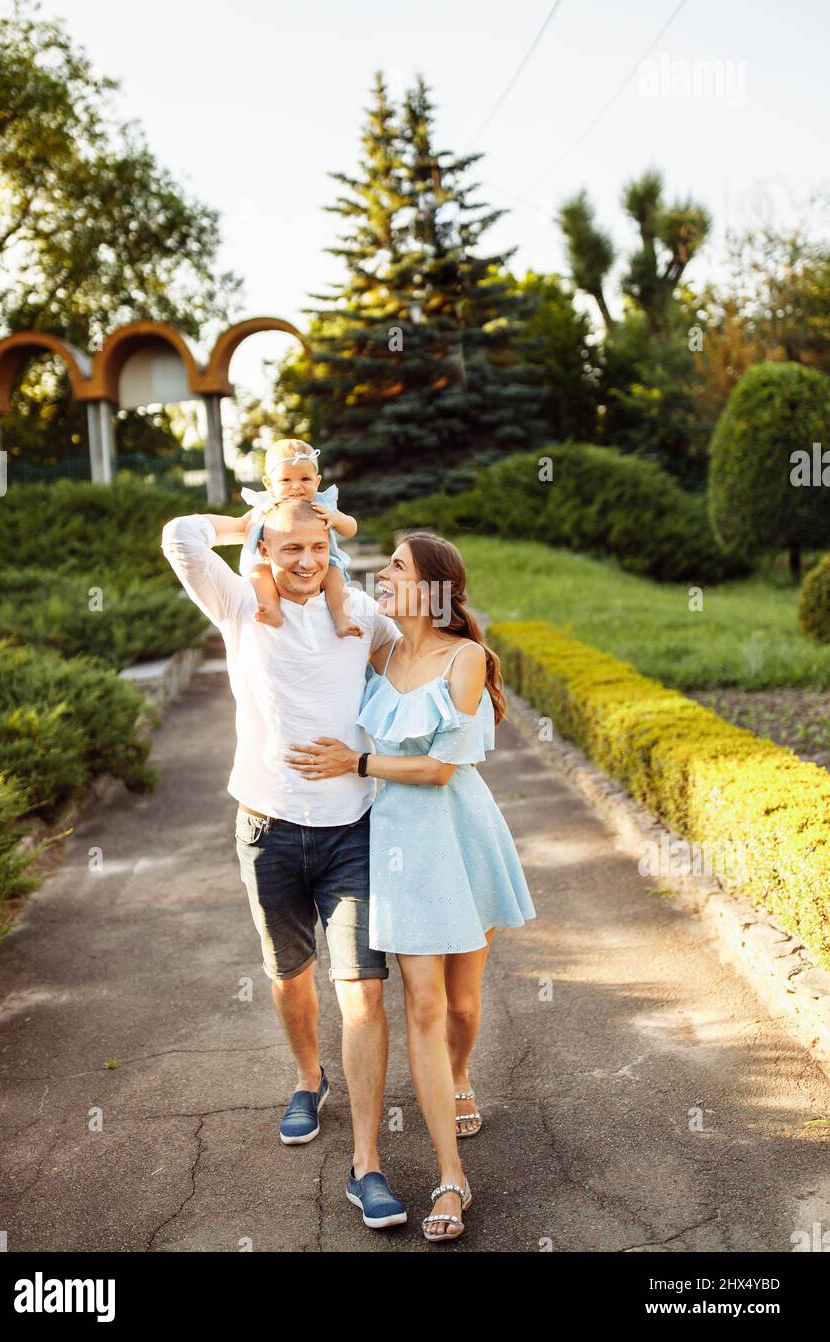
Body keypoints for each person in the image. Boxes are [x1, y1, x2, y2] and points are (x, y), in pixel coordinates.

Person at [160, 495, 409, 1230]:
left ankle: (367, 1165)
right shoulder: (240, 606)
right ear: (268, 552)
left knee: (362, 993)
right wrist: (248, 524)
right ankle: (309, 1079)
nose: (305, 562)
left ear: (331, 546)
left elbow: (421, 655)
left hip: (351, 831)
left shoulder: (360, 612)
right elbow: (179, 537)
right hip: (267, 829)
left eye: (316, 548)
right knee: (288, 975)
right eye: (288, 549)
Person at [286, 531, 537, 1242]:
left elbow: (439, 770)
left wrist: (358, 763)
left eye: (395, 564)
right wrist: (305, 523)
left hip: (459, 838)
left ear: (431, 585)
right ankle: (450, 1177)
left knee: (460, 1003)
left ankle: (460, 1075)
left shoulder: (467, 660)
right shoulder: (380, 649)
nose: (383, 573)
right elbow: (323, 583)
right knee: (423, 1003)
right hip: (394, 848)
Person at [239, 438, 360, 637]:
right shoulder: (266, 504)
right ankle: (271, 610)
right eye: (286, 480)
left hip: (322, 562)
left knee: (335, 576)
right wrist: (259, 515)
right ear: (269, 483)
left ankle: (342, 620)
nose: (296, 487)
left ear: (317, 481)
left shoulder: (322, 503)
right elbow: (247, 531)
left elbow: (351, 528)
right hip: (270, 561)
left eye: (305, 479)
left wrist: (336, 518)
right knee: (260, 575)